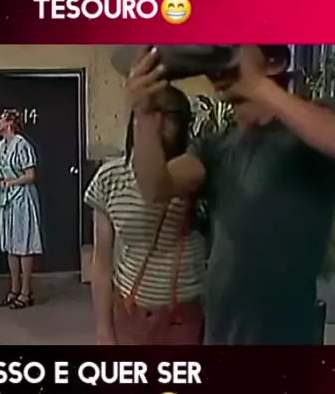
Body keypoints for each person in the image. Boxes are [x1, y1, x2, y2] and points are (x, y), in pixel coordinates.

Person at [127, 45, 335, 345]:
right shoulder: (217, 147)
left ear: (275, 62)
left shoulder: (310, 132)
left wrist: (257, 84)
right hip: (222, 336)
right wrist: (144, 117)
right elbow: (155, 188)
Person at [84, 86, 206, 345]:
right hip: (130, 312)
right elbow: (102, 262)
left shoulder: (197, 173)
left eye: (169, 115)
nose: (158, 125)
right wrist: (104, 331)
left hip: (186, 315)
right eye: (149, 114)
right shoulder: (109, 179)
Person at [0, 109, 43, 308]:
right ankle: (14, 289)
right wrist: (1, 182)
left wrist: (11, 182)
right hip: (7, 199)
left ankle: (26, 292)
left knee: (24, 244)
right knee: (11, 244)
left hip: (23, 198)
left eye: (1, 119)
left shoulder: (22, 145)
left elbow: (30, 175)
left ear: (10, 123)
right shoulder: (1, 145)